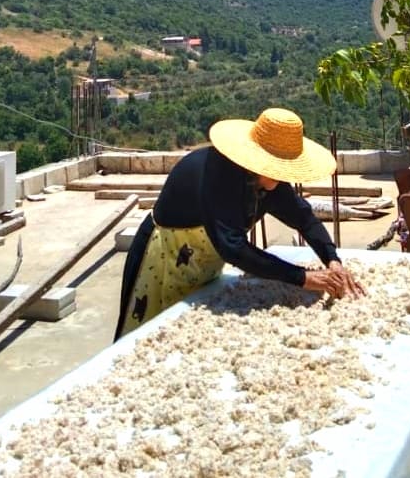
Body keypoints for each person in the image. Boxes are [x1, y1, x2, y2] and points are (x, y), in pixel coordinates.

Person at [114, 107, 365, 340]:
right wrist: (303, 277)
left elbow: (304, 218)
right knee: (148, 333)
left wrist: (332, 259)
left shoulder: (270, 182)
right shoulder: (219, 175)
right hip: (164, 255)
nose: (281, 177)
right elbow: (233, 247)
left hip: (203, 263)